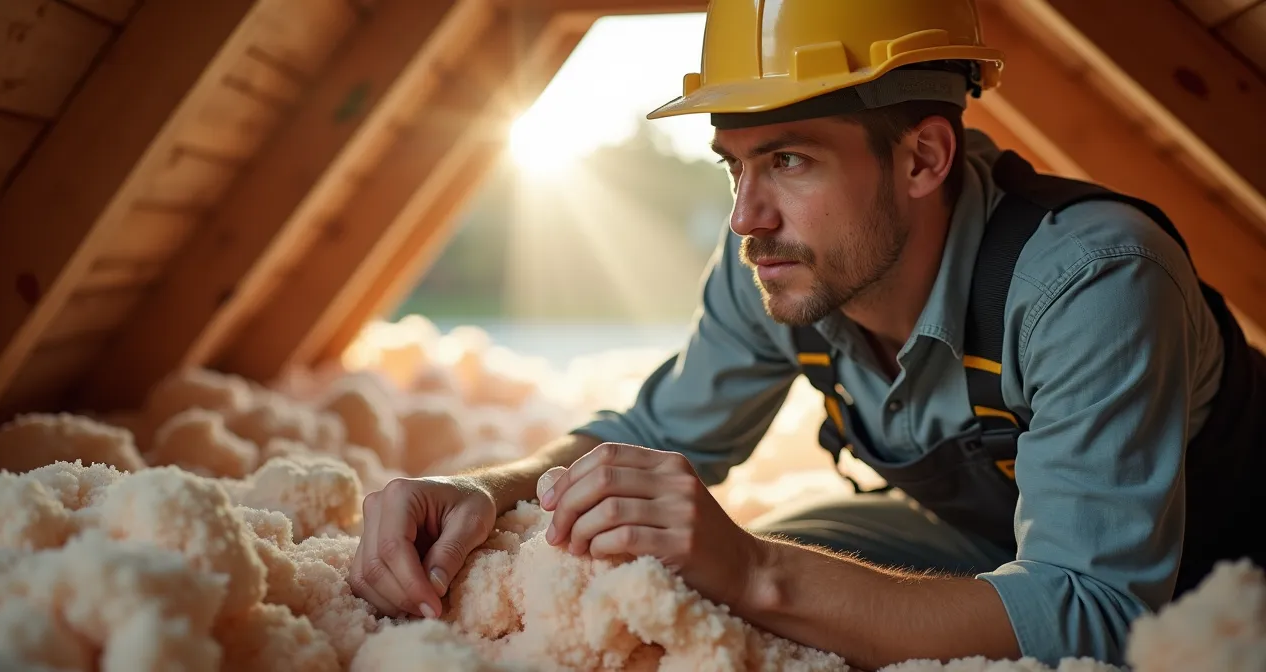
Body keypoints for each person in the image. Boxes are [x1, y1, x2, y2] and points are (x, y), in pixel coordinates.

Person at [348, 1, 1266, 668]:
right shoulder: (785, 259)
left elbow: (1097, 614)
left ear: (923, 156)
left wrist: (756, 570)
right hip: (1001, 543)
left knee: (755, 572)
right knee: (719, 565)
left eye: (789, 159)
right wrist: (484, 487)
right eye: (735, 166)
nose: (747, 218)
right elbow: (659, 434)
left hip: (1209, 564)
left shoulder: (1092, 281)